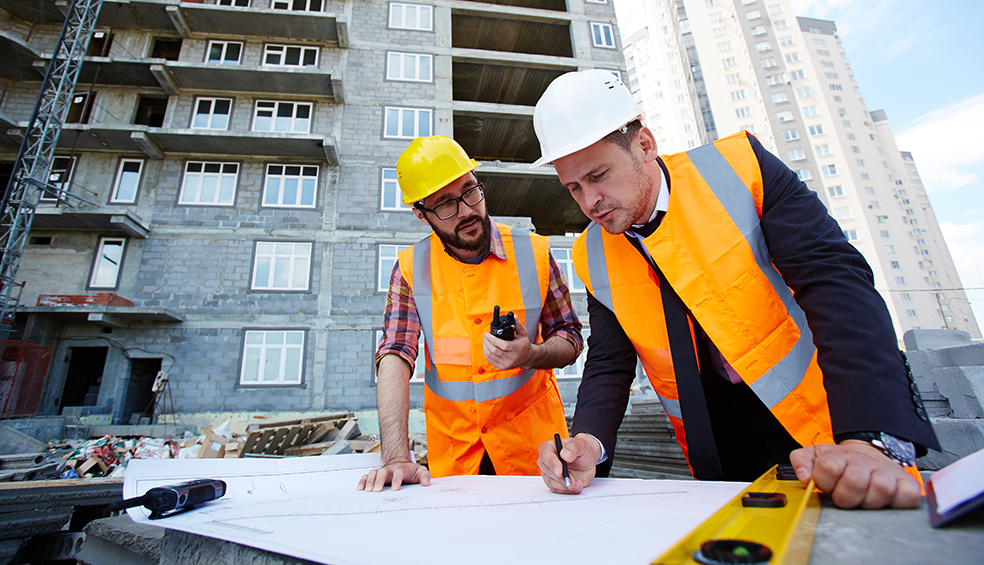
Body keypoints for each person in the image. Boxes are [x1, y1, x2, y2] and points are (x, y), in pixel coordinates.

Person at [531, 69, 939, 509]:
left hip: (828, 425)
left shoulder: (742, 170)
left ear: (645, 146)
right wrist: (589, 441)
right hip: (717, 449)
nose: (589, 201)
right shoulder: (593, 253)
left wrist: (869, 434)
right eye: (573, 187)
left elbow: (835, 284)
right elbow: (610, 362)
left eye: (599, 176)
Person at [358, 135, 583, 492]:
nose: (466, 210)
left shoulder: (535, 253)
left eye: (470, 191)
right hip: (457, 461)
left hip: (536, 457)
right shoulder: (410, 268)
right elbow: (395, 354)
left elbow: (570, 337)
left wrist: (532, 354)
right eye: (445, 204)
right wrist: (396, 456)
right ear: (421, 213)